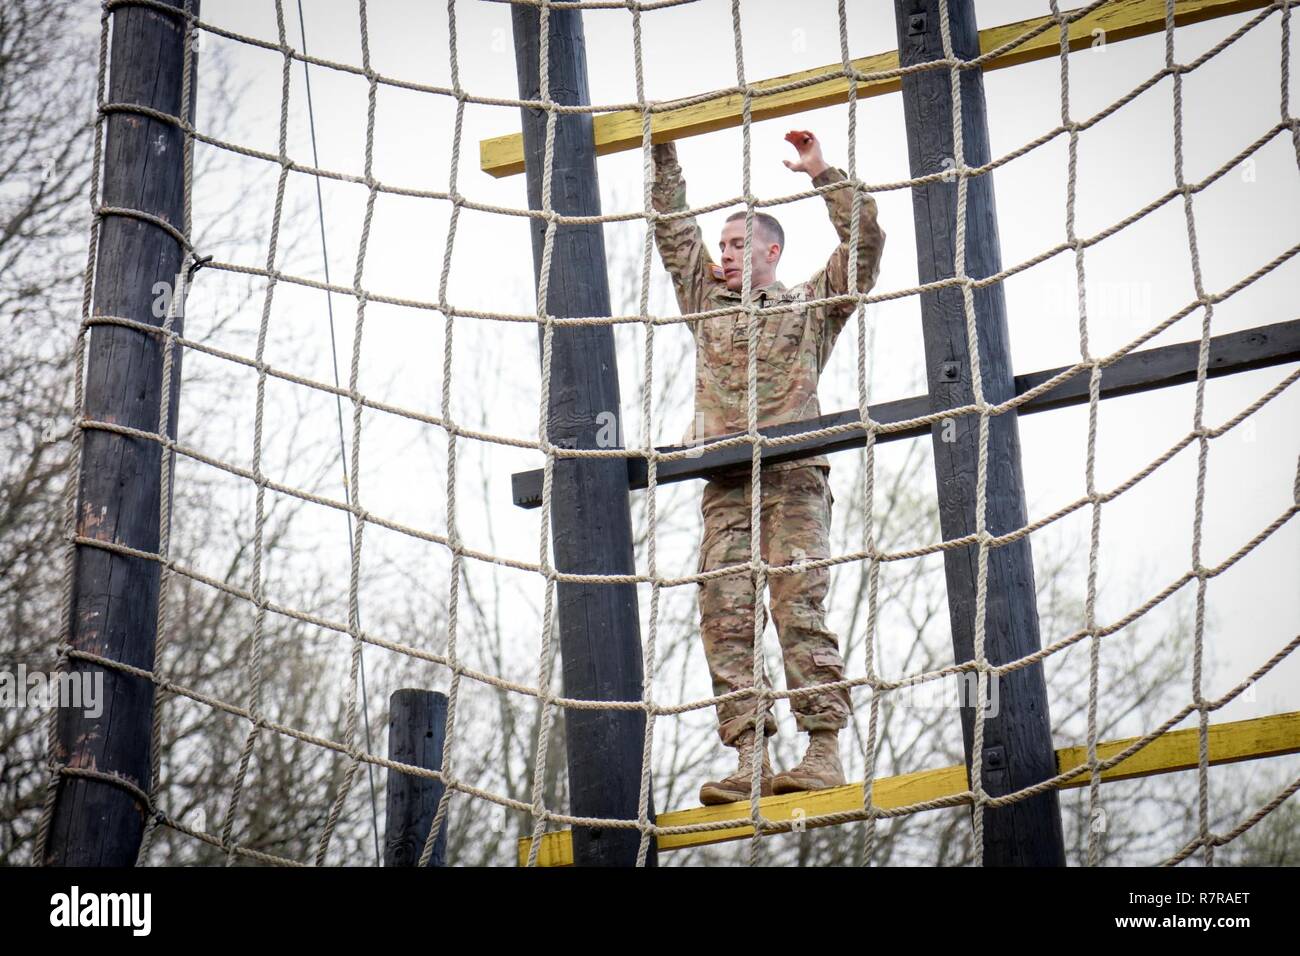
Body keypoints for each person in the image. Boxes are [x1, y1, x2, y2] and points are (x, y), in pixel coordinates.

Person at [650, 130, 886, 805]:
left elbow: (865, 249)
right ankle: (751, 754)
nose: (722, 255)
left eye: (734, 245)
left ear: (769, 252)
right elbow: (672, 234)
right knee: (723, 614)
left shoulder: (809, 307)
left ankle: (822, 748)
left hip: (790, 485)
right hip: (727, 488)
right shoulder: (706, 303)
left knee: (797, 606)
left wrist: (822, 174)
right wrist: (665, 156)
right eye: (720, 246)